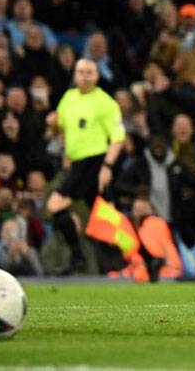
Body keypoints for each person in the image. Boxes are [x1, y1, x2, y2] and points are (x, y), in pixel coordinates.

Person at [45, 58, 127, 272]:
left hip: (94, 161)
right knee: (106, 214)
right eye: (81, 72)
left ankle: (78, 256)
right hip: (78, 163)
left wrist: (107, 166)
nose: (85, 76)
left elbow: (118, 137)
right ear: (75, 75)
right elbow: (62, 129)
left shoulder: (105, 103)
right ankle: (135, 256)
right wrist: (54, 127)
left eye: (90, 72)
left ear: (97, 76)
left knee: (55, 204)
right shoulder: (68, 98)